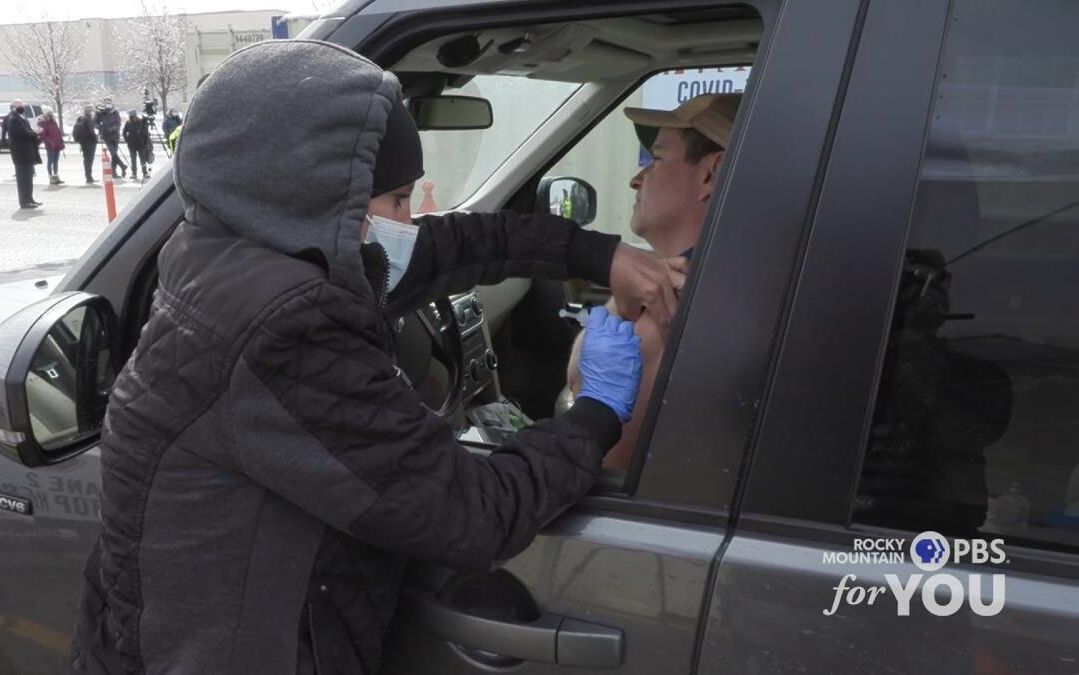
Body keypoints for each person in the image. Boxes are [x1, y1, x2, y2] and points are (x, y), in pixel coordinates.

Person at [70, 40, 683, 675]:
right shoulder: (285, 328)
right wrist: (596, 411)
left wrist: (597, 255)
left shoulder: (239, 251)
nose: (408, 221)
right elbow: (470, 515)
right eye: (396, 199)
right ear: (319, 196)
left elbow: (454, 245)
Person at [567, 93, 741, 470]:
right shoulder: (734, 274)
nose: (636, 179)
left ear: (711, 173)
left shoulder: (667, 313)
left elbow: (603, 466)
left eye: (656, 159)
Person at [6, 98, 42, 209]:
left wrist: (35, 134)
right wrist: (34, 133)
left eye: (22, 106)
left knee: (28, 178)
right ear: (13, 107)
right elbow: (22, 134)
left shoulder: (21, 118)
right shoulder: (13, 119)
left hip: (27, 153)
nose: (22, 108)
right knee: (23, 179)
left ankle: (29, 199)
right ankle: (24, 201)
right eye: (19, 106)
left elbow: (27, 131)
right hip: (21, 154)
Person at [96, 97, 128, 178]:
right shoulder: (100, 113)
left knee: (114, 154)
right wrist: (101, 127)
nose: (108, 105)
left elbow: (118, 123)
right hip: (106, 136)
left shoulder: (115, 113)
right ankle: (122, 165)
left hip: (115, 135)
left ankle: (114, 172)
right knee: (113, 153)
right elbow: (95, 123)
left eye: (109, 103)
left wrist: (112, 128)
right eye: (106, 104)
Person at [38, 106, 66, 185]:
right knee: (50, 161)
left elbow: (58, 133)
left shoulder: (53, 122)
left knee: (56, 161)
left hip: (57, 144)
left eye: (51, 113)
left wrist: (61, 143)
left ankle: (56, 176)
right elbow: (42, 135)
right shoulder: (42, 123)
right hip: (50, 146)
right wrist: (50, 142)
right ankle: (51, 177)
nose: (50, 115)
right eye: (48, 113)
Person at [72, 106, 100, 184]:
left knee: (86, 160)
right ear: (90, 112)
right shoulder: (89, 120)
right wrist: (96, 137)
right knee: (89, 160)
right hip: (90, 142)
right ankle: (89, 177)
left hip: (83, 142)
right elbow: (91, 132)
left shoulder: (80, 118)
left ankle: (88, 176)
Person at [122, 109, 150, 181]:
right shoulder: (128, 123)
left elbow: (145, 133)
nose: (130, 117)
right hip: (132, 144)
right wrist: (127, 140)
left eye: (131, 115)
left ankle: (144, 172)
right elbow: (124, 132)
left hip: (140, 144)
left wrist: (145, 142)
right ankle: (134, 173)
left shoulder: (141, 122)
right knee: (133, 159)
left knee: (142, 159)